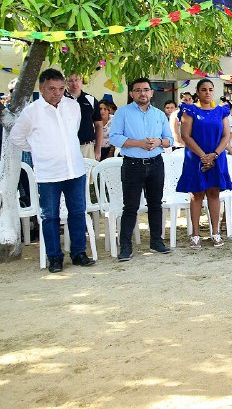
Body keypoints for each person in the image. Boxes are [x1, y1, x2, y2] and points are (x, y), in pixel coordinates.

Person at [9, 69, 95, 272]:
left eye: (60, 88)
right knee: (50, 217)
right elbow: (16, 138)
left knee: (77, 213)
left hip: (74, 170)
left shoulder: (72, 106)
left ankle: (79, 253)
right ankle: (54, 258)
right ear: (41, 89)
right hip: (48, 174)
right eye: (51, 89)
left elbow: (72, 132)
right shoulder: (31, 112)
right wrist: (38, 149)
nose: (57, 93)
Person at [108, 78, 173, 261]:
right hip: (132, 165)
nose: (142, 93)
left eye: (146, 90)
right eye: (138, 90)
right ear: (131, 94)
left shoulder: (160, 115)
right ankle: (126, 247)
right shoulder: (123, 113)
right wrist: (139, 143)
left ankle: (156, 241)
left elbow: (170, 139)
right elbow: (114, 138)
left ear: (152, 93)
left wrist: (159, 142)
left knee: (155, 204)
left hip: (155, 164)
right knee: (130, 207)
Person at [176, 79, 232, 249]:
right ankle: (195, 234)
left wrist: (214, 155)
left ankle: (215, 232)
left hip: (217, 157)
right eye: (203, 90)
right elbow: (185, 135)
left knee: (214, 193)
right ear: (198, 92)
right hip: (195, 157)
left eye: (210, 89)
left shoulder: (221, 111)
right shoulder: (190, 110)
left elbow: (226, 136)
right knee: (197, 194)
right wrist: (203, 156)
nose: (207, 92)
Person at [65, 72, 103, 161]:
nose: (74, 84)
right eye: (70, 81)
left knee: (88, 174)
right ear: (66, 83)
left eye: (77, 80)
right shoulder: (61, 100)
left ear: (82, 81)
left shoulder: (91, 100)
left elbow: (99, 125)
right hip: (66, 147)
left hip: (87, 147)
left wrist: (98, 149)